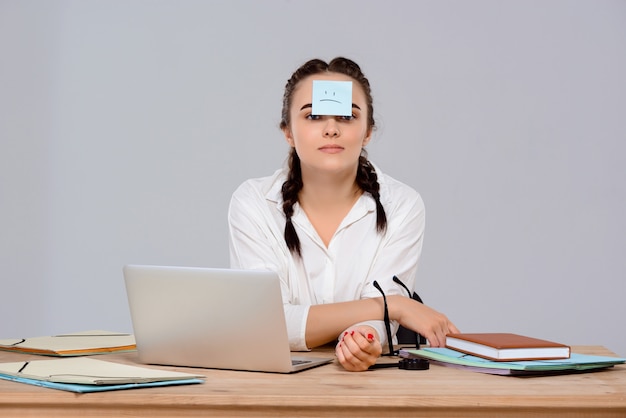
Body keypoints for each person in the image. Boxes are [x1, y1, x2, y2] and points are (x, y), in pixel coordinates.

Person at [228, 57, 458, 371]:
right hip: (273, 386)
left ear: (367, 132)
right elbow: (264, 325)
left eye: (348, 116)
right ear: (288, 132)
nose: (332, 129)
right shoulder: (253, 202)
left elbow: (378, 326)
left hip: (367, 387)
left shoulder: (403, 205)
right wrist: (391, 306)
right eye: (314, 116)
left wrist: (364, 338)